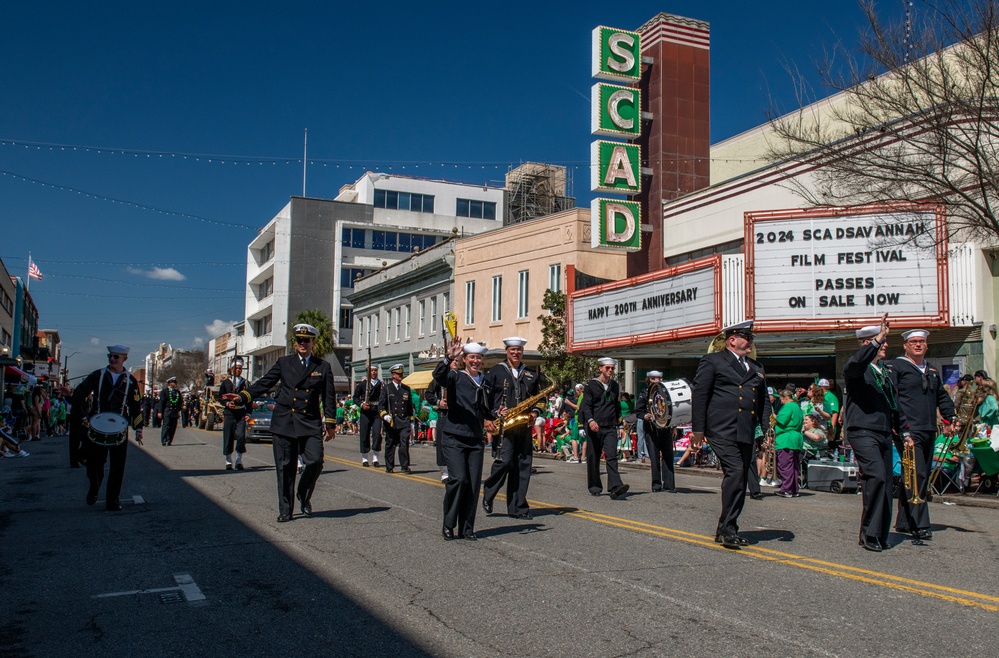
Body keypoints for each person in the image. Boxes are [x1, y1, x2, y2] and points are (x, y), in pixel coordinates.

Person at [241, 323, 337, 522]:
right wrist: (244, 396)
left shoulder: (323, 367)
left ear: (313, 342)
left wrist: (330, 423)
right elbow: (265, 382)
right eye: (299, 340)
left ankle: (303, 493)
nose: (303, 343)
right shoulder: (284, 363)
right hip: (285, 422)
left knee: (315, 462)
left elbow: (328, 397)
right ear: (295, 343)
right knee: (285, 467)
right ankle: (286, 509)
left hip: (309, 422)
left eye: (307, 340)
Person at [690, 320, 771, 549]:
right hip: (721, 428)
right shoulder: (713, 361)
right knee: (735, 472)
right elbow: (700, 395)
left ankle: (727, 527)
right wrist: (698, 429)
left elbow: (763, 403)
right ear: (732, 339)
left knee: (742, 477)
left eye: (751, 338)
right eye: (747, 337)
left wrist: (765, 430)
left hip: (745, 429)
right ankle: (727, 528)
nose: (750, 342)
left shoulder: (756, 367)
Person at [889, 329, 956, 539]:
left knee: (921, 474)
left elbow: (942, 397)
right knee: (915, 475)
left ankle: (904, 521)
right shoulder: (897, 367)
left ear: (926, 345)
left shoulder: (931, 370)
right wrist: (898, 424)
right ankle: (920, 524)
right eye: (913, 342)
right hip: (908, 430)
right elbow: (893, 397)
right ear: (905, 346)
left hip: (928, 429)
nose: (918, 345)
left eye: (922, 342)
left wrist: (950, 418)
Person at [843, 314, 901, 552]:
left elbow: (894, 403)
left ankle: (880, 532)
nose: (885, 344)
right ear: (868, 343)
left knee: (886, 481)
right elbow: (856, 364)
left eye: (884, 341)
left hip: (884, 431)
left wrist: (903, 431)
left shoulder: (884, 371)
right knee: (875, 476)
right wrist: (879, 338)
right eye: (880, 341)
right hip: (863, 430)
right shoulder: (857, 368)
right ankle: (869, 533)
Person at [70, 344, 143, 511]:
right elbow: (78, 394)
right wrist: (82, 416)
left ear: (124, 359)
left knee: (118, 465)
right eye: (110, 356)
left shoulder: (130, 380)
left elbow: (136, 406)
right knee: (94, 464)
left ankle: (113, 500)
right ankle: (94, 488)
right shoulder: (98, 375)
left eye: (116, 357)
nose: (112, 359)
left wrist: (139, 429)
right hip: (97, 425)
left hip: (119, 427)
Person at [482, 337, 547, 519]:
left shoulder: (530, 374)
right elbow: (485, 398)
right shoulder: (495, 372)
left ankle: (518, 507)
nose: (516, 353)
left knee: (523, 466)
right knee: (504, 462)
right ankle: (489, 492)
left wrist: (534, 413)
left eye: (519, 350)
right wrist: (493, 414)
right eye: (512, 350)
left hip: (524, 425)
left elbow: (540, 399)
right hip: (504, 425)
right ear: (506, 352)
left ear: (522, 352)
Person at [433, 338, 489, 540]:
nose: (476, 361)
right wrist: (449, 357)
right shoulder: (455, 376)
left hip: (475, 438)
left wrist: (495, 414)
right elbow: (439, 376)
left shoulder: (484, 380)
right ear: (465, 359)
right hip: (454, 436)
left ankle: (467, 528)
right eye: (472, 357)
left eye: (479, 358)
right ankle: (449, 524)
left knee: (473, 484)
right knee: (458, 479)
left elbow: (486, 408)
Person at [580, 357, 630, 499]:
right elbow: (586, 406)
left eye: (612, 368)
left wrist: (620, 425)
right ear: (600, 368)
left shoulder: (615, 386)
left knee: (611, 455)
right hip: (595, 427)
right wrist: (589, 421)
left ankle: (615, 486)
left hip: (610, 427)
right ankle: (595, 486)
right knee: (593, 456)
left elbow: (616, 406)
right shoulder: (591, 386)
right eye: (607, 368)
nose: (610, 371)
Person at [635, 371, 677, 492]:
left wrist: (673, 426)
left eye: (659, 378)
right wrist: (645, 415)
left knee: (668, 456)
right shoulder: (645, 394)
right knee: (654, 457)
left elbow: (673, 410)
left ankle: (669, 484)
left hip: (666, 428)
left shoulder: (667, 394)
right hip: (652, 429)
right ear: (649, 380)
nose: (656, 381)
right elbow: (638, 411)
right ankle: (656, 484)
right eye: (653, 378)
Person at [379, 364, 414, 473]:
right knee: (391, 444)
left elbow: (409, 406)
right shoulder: (387, 389)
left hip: (403, 421)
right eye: (398, 374)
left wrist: (411, 421)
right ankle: (389, 466)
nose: (401, 376)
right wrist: (384, 415)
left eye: (401, 374)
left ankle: (405, 466)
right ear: (393, 375)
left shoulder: (406, 389)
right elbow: (381, 405)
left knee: (404, 443)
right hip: (392, 422)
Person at [219, 356, 251, 471]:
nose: (238, 370)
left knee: (241, 436)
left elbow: (249, 399)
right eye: (236, 368)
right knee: (228, 437)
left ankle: (239, 460)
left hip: (241, 413)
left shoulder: (245, 383)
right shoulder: (226, 383)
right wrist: (227, 404)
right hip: (229, 413)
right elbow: (221, 398)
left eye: (240, 368)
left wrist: (248, 413)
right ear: (231, 369)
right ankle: (228, 461)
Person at [773, 388, 804, 498]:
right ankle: (794, 489)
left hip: (786, 438)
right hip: (796, 439)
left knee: (785, 465)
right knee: (794, 466)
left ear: (785, 397)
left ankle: (786, 489)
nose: (780, 401)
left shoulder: (788, 406)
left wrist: (773, 415)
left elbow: (782, 420)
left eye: (781, 399)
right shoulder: (797, 407)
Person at [352, 365, 384, 467]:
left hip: (376, 412)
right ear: (368, 372)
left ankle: (375, 458)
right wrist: (361, 404)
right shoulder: (362, 384)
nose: (374, 372)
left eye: (375, 370)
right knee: (365, 434)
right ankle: (365, 458)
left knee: (377, 434)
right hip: (365, 412)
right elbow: (355, 398)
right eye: (372, 371)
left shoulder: (381, 384)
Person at [158, 378, 183, 446]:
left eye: (175, 382)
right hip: (167, 410)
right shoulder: (165, 391)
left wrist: (180, 409)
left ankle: (169, 440)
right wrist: (160, 412)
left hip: (174, 412)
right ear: (170, 383)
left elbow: (180, 402)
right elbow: (161, 402)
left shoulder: (177, 392)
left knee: (173, 426)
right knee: (166, 426)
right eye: (174, 382)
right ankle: (164, 440)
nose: (175, 384)